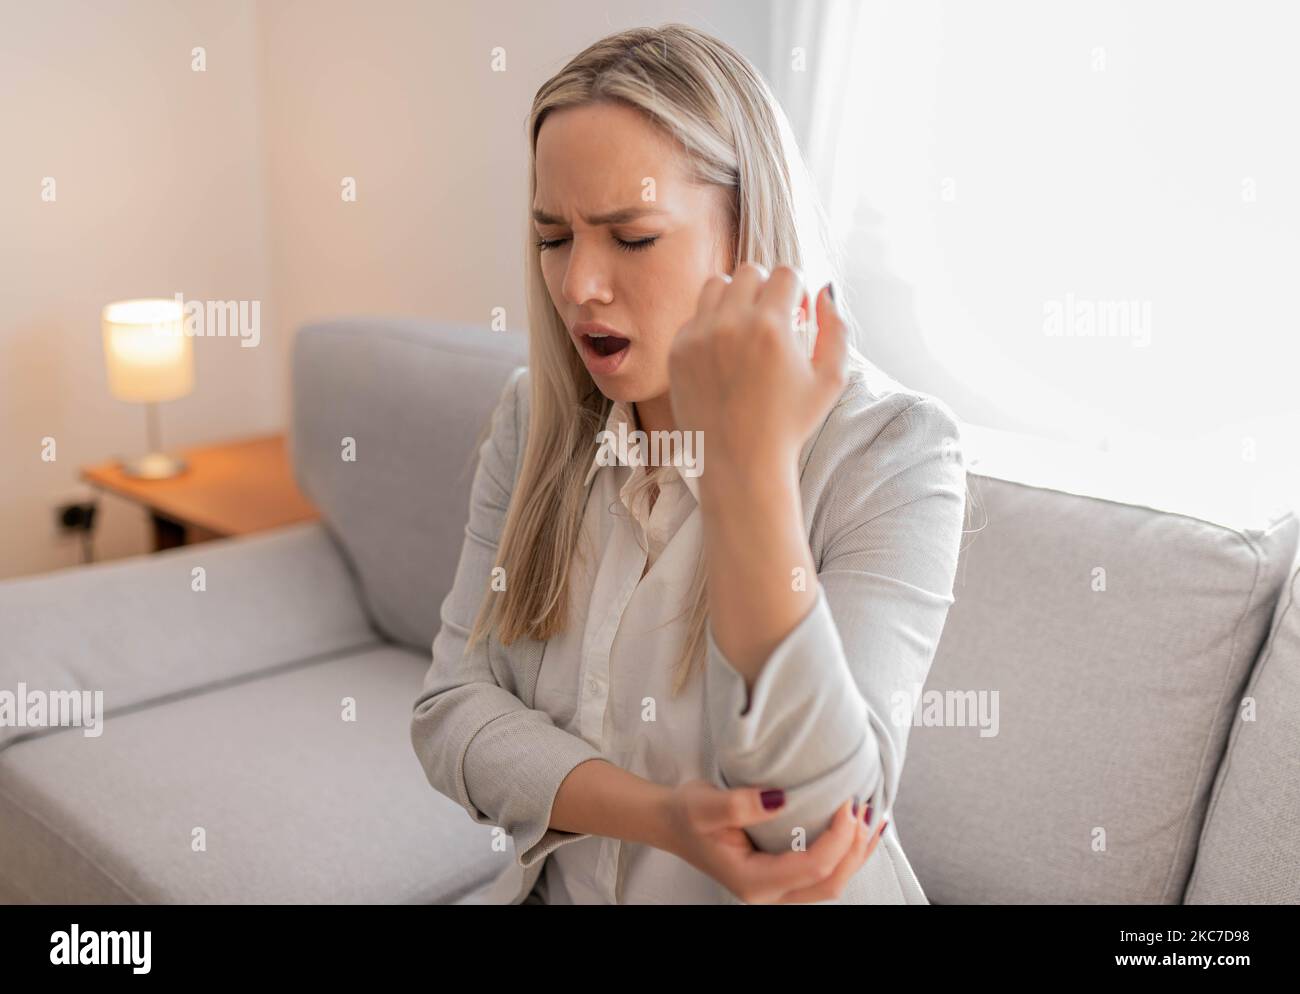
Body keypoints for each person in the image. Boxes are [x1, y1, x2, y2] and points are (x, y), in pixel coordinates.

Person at [411, 23, 967, 905]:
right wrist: (663, 816)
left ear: (749, 234)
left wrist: (746, 466)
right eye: (553, 237)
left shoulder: (892, 455)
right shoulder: (535, 417)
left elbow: (809, 825)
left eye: (631, 238)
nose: (579, 285)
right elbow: (449, 715)